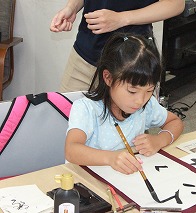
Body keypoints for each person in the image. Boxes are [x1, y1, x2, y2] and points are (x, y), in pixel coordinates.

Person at [65, 33, 184, 175]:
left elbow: (175, 121)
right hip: (89, 180)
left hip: (126, 180)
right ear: (108, 78)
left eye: (149, 90)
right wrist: (110, 158)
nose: (140, 100)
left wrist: (159, 140)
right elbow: (71, 150)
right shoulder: (86, 108)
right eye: (132, 91)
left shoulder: (147, 106)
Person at [50, 0, 185, 92]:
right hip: (84, 54)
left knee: (127, 131)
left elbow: (176, 4)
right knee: (66, 121)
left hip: (130, 62)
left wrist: (122, 18)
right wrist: (71, 7)